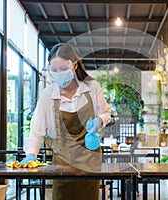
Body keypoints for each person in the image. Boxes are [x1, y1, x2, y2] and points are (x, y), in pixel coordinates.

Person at [21, 43, 111, 200]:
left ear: (74, 65)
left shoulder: (92, 87)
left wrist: (99, 120)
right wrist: (31, 154)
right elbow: (37, 129)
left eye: (63, 69)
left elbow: (106, 113)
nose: (58, 73)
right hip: (62, 163)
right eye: (54, 70)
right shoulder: (47, 95)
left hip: (89, 161)